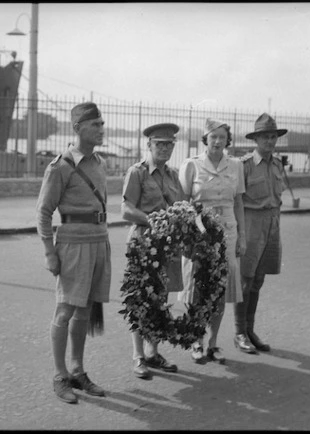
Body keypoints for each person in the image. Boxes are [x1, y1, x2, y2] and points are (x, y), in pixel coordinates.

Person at [36, 102, 111, 404]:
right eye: (95, 125)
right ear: (78, 128)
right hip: (72, 243)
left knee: (84, 309)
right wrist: (49, 252)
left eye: (102, 124)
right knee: (65, 310)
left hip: (98, 241)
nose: (101, 129)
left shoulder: (100, 163)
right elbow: (43, 212)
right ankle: (59, 374)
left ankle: (78, 370)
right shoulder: (61, 166)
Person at [178, 119, 246, 363]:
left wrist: (242, 237)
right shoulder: (191, 165)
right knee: (197, 288)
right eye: (212, 137)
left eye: (222, 137)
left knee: (220, 289)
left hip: (228, 230)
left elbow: (238, 203)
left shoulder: (236, 166)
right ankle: (196, 339)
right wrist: (188, 235)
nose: (217, 141)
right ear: (205, 140)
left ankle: (214, 343)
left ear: (228, 140)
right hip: (199, 230)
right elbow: (183, 203)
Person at [121, 123, 185, 378]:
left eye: (169, 144)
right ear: (148, 145)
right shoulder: (137, 173)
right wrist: (153, 220)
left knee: (160, 299)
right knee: (140, 300)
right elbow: (126, 210)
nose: (165, 148)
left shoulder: (172, 175)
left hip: (166, 246)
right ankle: (138, 357)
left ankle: (152, 352)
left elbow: (179, 207)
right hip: (143, 242)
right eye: (160, 144)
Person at [235, 112, 288, 354]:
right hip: (251, 223)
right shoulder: (244, 165)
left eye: (273, 137)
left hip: (272, 224)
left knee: (258, 280)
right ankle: (239, 333)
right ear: (255, 140)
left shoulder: (277, 164)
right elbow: (236, 200)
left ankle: (250, 329)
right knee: (245, 280)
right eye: (265, 137)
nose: (270, 141)